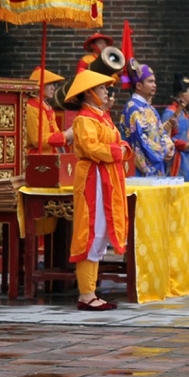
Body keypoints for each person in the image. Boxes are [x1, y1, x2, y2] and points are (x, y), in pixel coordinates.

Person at [66, 69, 130, 311]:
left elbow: (118, 141)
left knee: (101, 232)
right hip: (94, 178)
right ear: (90, 93)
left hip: (108, 177)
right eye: (102, 88)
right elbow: (93, 148)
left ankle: (91, 291)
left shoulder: (102, 117)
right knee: (90, 231)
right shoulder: (84, 119)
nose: (106, 92)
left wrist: (119, 148)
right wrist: (117, 152)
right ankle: (86, 293)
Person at [120, 64, 174, 178]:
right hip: (139, 169)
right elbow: (140, 141)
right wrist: (163, 150)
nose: (154, 85)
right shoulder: (133, 108)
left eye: (154, 81)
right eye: (150, 81)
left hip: (156, 161)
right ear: (139, 85)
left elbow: (161, 131)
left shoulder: (150, 108)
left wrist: (169, 146)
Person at [25, 67, 73, 154]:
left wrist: (69, 136)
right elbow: (37, 140)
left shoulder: (46, 106)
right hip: (37, 156)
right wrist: (65, 135)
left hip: (50, 154)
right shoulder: (32, 107)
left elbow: (55, 133)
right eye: (50, 84)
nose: (53, 88)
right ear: (40, 85)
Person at [161, 74, 189, 181]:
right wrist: (183, 145)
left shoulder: (184, 112)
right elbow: (164, 136)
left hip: (187, 158)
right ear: (184, 94)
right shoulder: (170, 112)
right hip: (176, 158)